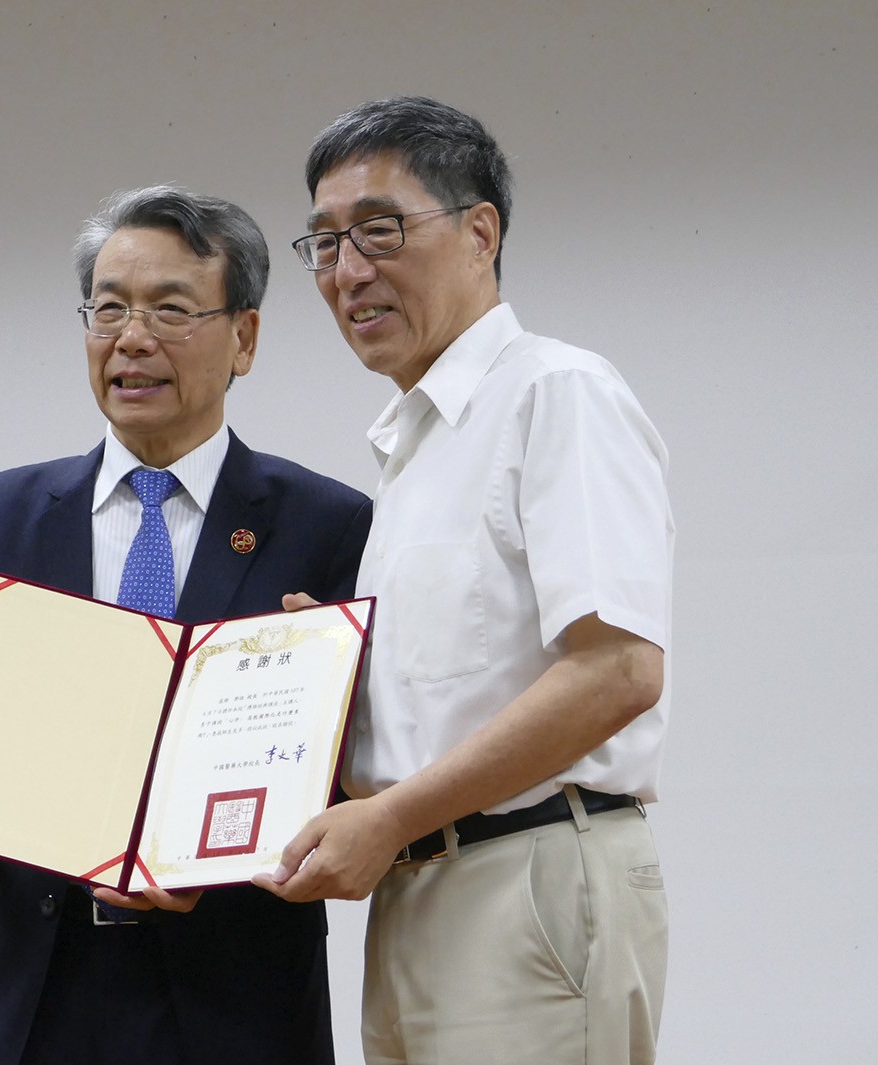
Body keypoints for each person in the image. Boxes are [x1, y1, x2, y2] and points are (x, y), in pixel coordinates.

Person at [0, 185, 372, 1065]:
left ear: (245, 338)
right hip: (32, 987)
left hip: (234, 994)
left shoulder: (327, 525)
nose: (131, 338)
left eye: (170, 310)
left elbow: (354, 766)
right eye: (108, 309)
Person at [255, 97, 674, 1065]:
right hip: (415, 887)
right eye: (322, 244)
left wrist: (390, 815)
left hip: (524, 877)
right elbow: (453, 700)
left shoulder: (552, 392)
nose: (347, 272)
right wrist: (322, 679)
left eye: (378, 230)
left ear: (478, 231)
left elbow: (616, 670)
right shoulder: (414, 448)